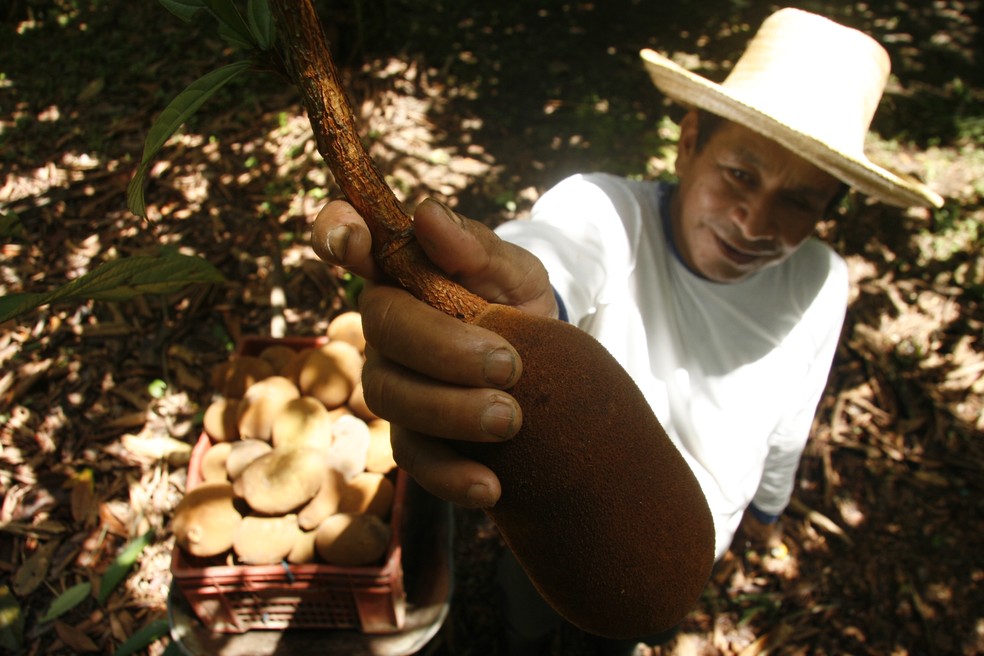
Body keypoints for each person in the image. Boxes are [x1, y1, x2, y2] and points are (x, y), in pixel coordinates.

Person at [310, 7, 942, 655]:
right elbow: (551, 260)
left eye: (800, 200)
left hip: (690, 552)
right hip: (564, 529)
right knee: (527, 616)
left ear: (830, 209)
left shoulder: (822, 279)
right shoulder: (608, 214)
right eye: (740, 175)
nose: (755, 221)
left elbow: (793, 408)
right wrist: (506, 308)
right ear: (690, 141)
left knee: (621, 635)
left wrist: (768, 509)